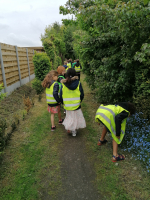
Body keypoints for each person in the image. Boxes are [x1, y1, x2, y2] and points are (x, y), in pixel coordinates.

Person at [60, 68, 86, 136]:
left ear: (67, 75)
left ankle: (69, 128)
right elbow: (82, 94)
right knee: (75, 118)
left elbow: (60, 95)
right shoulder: (78, 83)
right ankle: (74, 131)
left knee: (69, 117)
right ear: (75, 74)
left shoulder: (63, 84)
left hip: (67, 105)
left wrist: (63, 103)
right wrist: (79, 101)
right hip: (76, 105)